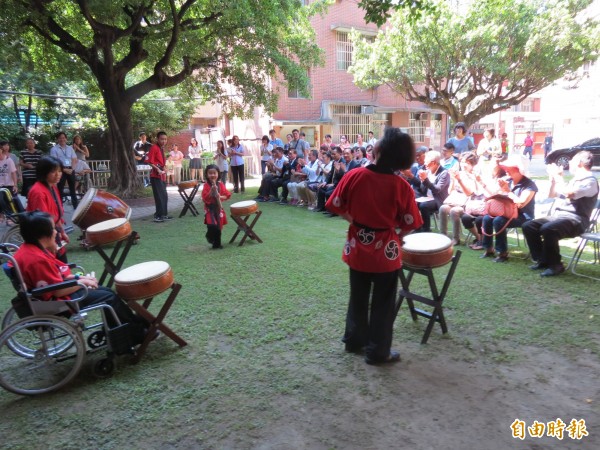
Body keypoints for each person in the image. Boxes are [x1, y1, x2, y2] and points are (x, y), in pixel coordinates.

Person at [325, 127, 423, 365]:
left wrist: (356, 223)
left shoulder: (354, 175)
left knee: (357, 296)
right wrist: (396, 236)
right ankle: (378, 352)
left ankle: (354, 341)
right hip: (386, 254)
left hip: (357, 248)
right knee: (383, 303)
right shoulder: (401, 186)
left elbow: (335, 205)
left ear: (378, 150)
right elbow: (412, 223)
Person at [13, 211, 149, 347]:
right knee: (109, 298)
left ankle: (127, 327)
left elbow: (60, 275)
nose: (56, 232)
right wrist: (82, 282)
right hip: (59, 302)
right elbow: (57, 291)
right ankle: (136, 333)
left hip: (50, 295)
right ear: (43, 235)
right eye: (53, 228)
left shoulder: (30, 249)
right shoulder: (37, 260)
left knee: (107, 291)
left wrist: (80, 278)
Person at [523, 151, 599, 277]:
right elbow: (553, 195)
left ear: (579, 163)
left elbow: (570, 193)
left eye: (572, 161)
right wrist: (553, 180)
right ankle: (543, 260)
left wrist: (559, 177)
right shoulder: (575, 180)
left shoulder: (590, 181)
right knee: (529, 226)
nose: (569, 164)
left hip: (577, 219)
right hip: (560, 216)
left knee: (549, 228)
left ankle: (556, 265)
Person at [480, 157, 537, 262]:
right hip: (506, 212)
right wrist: (501, 191)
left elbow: (521, 203)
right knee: (487, 218)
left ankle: (503, 253)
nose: (506, 170)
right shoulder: (508, 181)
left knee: (498, 221)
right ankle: (488, 249)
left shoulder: (530, 185)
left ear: (518, 170)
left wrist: (508, 191)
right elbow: (500, 197)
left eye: (509, 168)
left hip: (523, 216)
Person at [26, 156, 69, 262]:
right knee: (57, 270)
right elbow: (43, 223)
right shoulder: (38, 192)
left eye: (59, 171)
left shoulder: (52, 186)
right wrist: (51, 243)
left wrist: (62, 232)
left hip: (54, 235)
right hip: (45, 239)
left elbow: (56, 214)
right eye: (54, 171)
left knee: (63, 267)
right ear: (44, 173)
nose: (58, 174)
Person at [439, 152, 479, 245]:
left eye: (468, 163)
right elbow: (450, 191)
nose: (464, 165)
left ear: (473, 165)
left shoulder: (474, 176)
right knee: (443, 208)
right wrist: (453, 180)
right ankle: (443, 235)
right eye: (463, 162)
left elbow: (469, 193)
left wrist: (459, 180)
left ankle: (456, 238)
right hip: (455, 199)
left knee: (454, 211)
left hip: (468, 202)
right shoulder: (458, 173)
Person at [415, 151, 450, 232]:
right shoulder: (427, 171)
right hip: (426, 198)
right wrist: (422, 180)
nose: (424, 164)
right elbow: (423, 189)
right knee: (413, 203)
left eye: (426, 162)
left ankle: (426, 229)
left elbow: (437, 190)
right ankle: (417, 227)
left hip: (438, 199)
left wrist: (425, 179)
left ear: (433, 162)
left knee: (424, 206)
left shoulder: (444, 173)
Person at [202, 164, 231, 249]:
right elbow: (205, 198)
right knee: (212, 225)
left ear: (218, 174)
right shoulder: (206, 185)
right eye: (210, 173)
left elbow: (227, 195)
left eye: (214, 173)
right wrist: (211, 191)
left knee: (218, 226)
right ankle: (209, 236)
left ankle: (217, 244)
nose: (212, 175)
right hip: (209, 208)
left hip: (218, 208)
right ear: (207, 175)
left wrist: (220, 196)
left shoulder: (221, 184)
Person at [146, 131, 171, 222]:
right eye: (162, 139)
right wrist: (158, 169)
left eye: (165, 139)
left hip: (161, 175)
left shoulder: (161, 148)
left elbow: (161, 162)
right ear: (158, 139)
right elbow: (149, 161)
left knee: (164, 195)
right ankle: (158, 215)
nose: (164, 141)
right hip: (155, 176)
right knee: (159, 196)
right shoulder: (154, 148)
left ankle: (164, 214)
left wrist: (165, 168)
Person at [50, 131, 79, 208]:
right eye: (60, 138)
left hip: (70, 169)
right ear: (57, 139)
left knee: (73, 188)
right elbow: (54, 161)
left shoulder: (70, 148)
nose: (62, 139)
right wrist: (64, 170)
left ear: (66, 139)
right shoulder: (54, 149)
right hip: (59, 170)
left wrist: (72, 169)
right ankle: (60, 207)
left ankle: (75, 206)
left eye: (63, 138)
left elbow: (74, 159)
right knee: (60, 188)